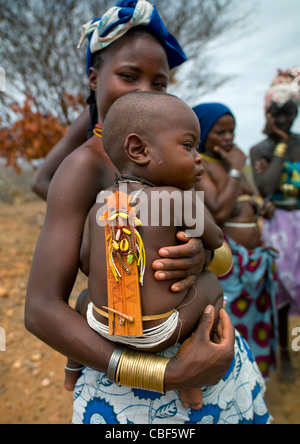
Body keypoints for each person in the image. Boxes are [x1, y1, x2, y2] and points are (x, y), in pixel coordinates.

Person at [25, 1, 269, 425]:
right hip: (135, 389)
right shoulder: (85, 166)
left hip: (209, 362)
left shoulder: (167, 160)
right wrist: (168, 374)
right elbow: (41, 307)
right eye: (129, 75)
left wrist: (199, 257)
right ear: (93, 78)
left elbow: (210, 246)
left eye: (161, 82)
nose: (146, 91)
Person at [65, 91, 225, 411]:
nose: (199, 157)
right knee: (212, 286)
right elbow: (217, 239)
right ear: (139, 150)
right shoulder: (178, 200)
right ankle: (191, 376)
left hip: (102, 325)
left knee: (82, 299)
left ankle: (72, 368)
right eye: (188, 145)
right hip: (156, 333)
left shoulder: (100, 203)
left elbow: (84, 262)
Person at [193, 103, 278, 379]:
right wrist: (237, 169)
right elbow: (218, 210)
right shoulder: (201, 165)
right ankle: (232, 376)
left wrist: (259, 207)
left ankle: (253, 374)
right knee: (232, 322)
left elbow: (249, 198)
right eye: (220, 132)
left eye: (232, 131)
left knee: (254, 320)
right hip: (227, 260)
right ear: (204, 133)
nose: (228, 137)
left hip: (251, 258)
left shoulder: (229, 163)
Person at [250, 67, 300, 382]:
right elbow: (266, 186)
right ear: (268, 113)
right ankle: (284, 354)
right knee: (280, 292)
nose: (283, 119)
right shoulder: (261, 150)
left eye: (290, 112)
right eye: (277, 113)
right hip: (277, 227)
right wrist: (280, 146)